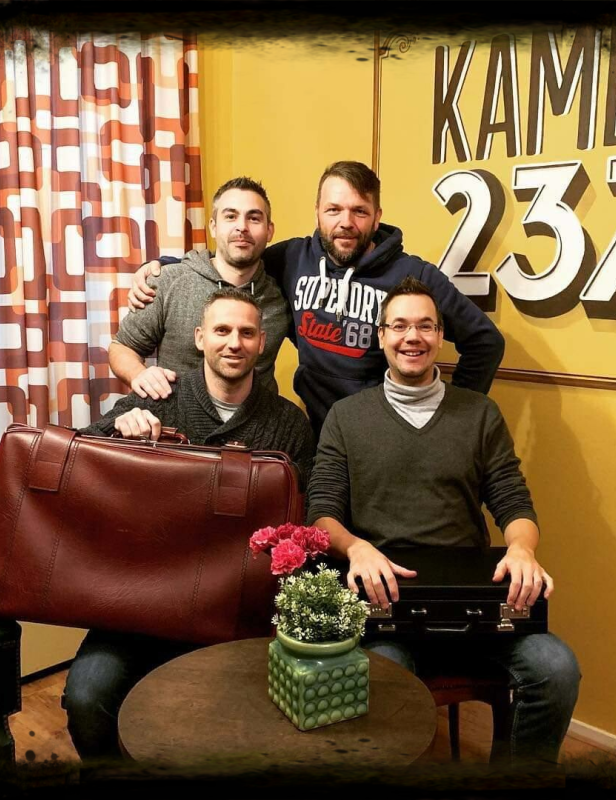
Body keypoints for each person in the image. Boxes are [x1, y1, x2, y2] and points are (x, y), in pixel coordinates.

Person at [306, 276, 580, 765]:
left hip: (475, 608)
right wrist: (357, 548)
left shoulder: (480, 413)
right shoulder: (346, 417)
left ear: (440, 335)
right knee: (377, 681)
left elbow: (513, 501)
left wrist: (522, 548)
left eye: (425, 326)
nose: (412, 337)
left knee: (556, 668)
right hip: (388, 607)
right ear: (381, 336)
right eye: (399, 326)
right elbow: (322, 513)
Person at [64, 288, 315, 760]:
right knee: (86, 698)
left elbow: (303, 522)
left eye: (246, 333)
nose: (234, 343)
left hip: (234, 609)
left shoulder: (288, 424)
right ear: (200, 338)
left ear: (262, 343)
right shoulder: (159, 398)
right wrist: (118, 431)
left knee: (226, 720)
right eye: (222, 330)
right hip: (141, 601)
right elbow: (81, 454)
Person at [128, 161, 505, 436]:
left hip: (385, 433)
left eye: (359, 211)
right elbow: (235, 259)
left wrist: (447, 413)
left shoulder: (412, 276)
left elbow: (485, 342)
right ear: (318, 214)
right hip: (314, 432)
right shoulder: (293, 258)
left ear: (377, 217)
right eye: (334, 210)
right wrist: (162, 267)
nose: (346, 222)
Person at [108, 177, 290, 399]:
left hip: (257, 419)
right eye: (230, 216)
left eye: (253, 218)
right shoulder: (169, 281)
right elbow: (122, 346)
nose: (242, 227)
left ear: (269, 230)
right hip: (177, 417)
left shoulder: (283, 294)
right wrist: (139, 374)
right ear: (213, 226)